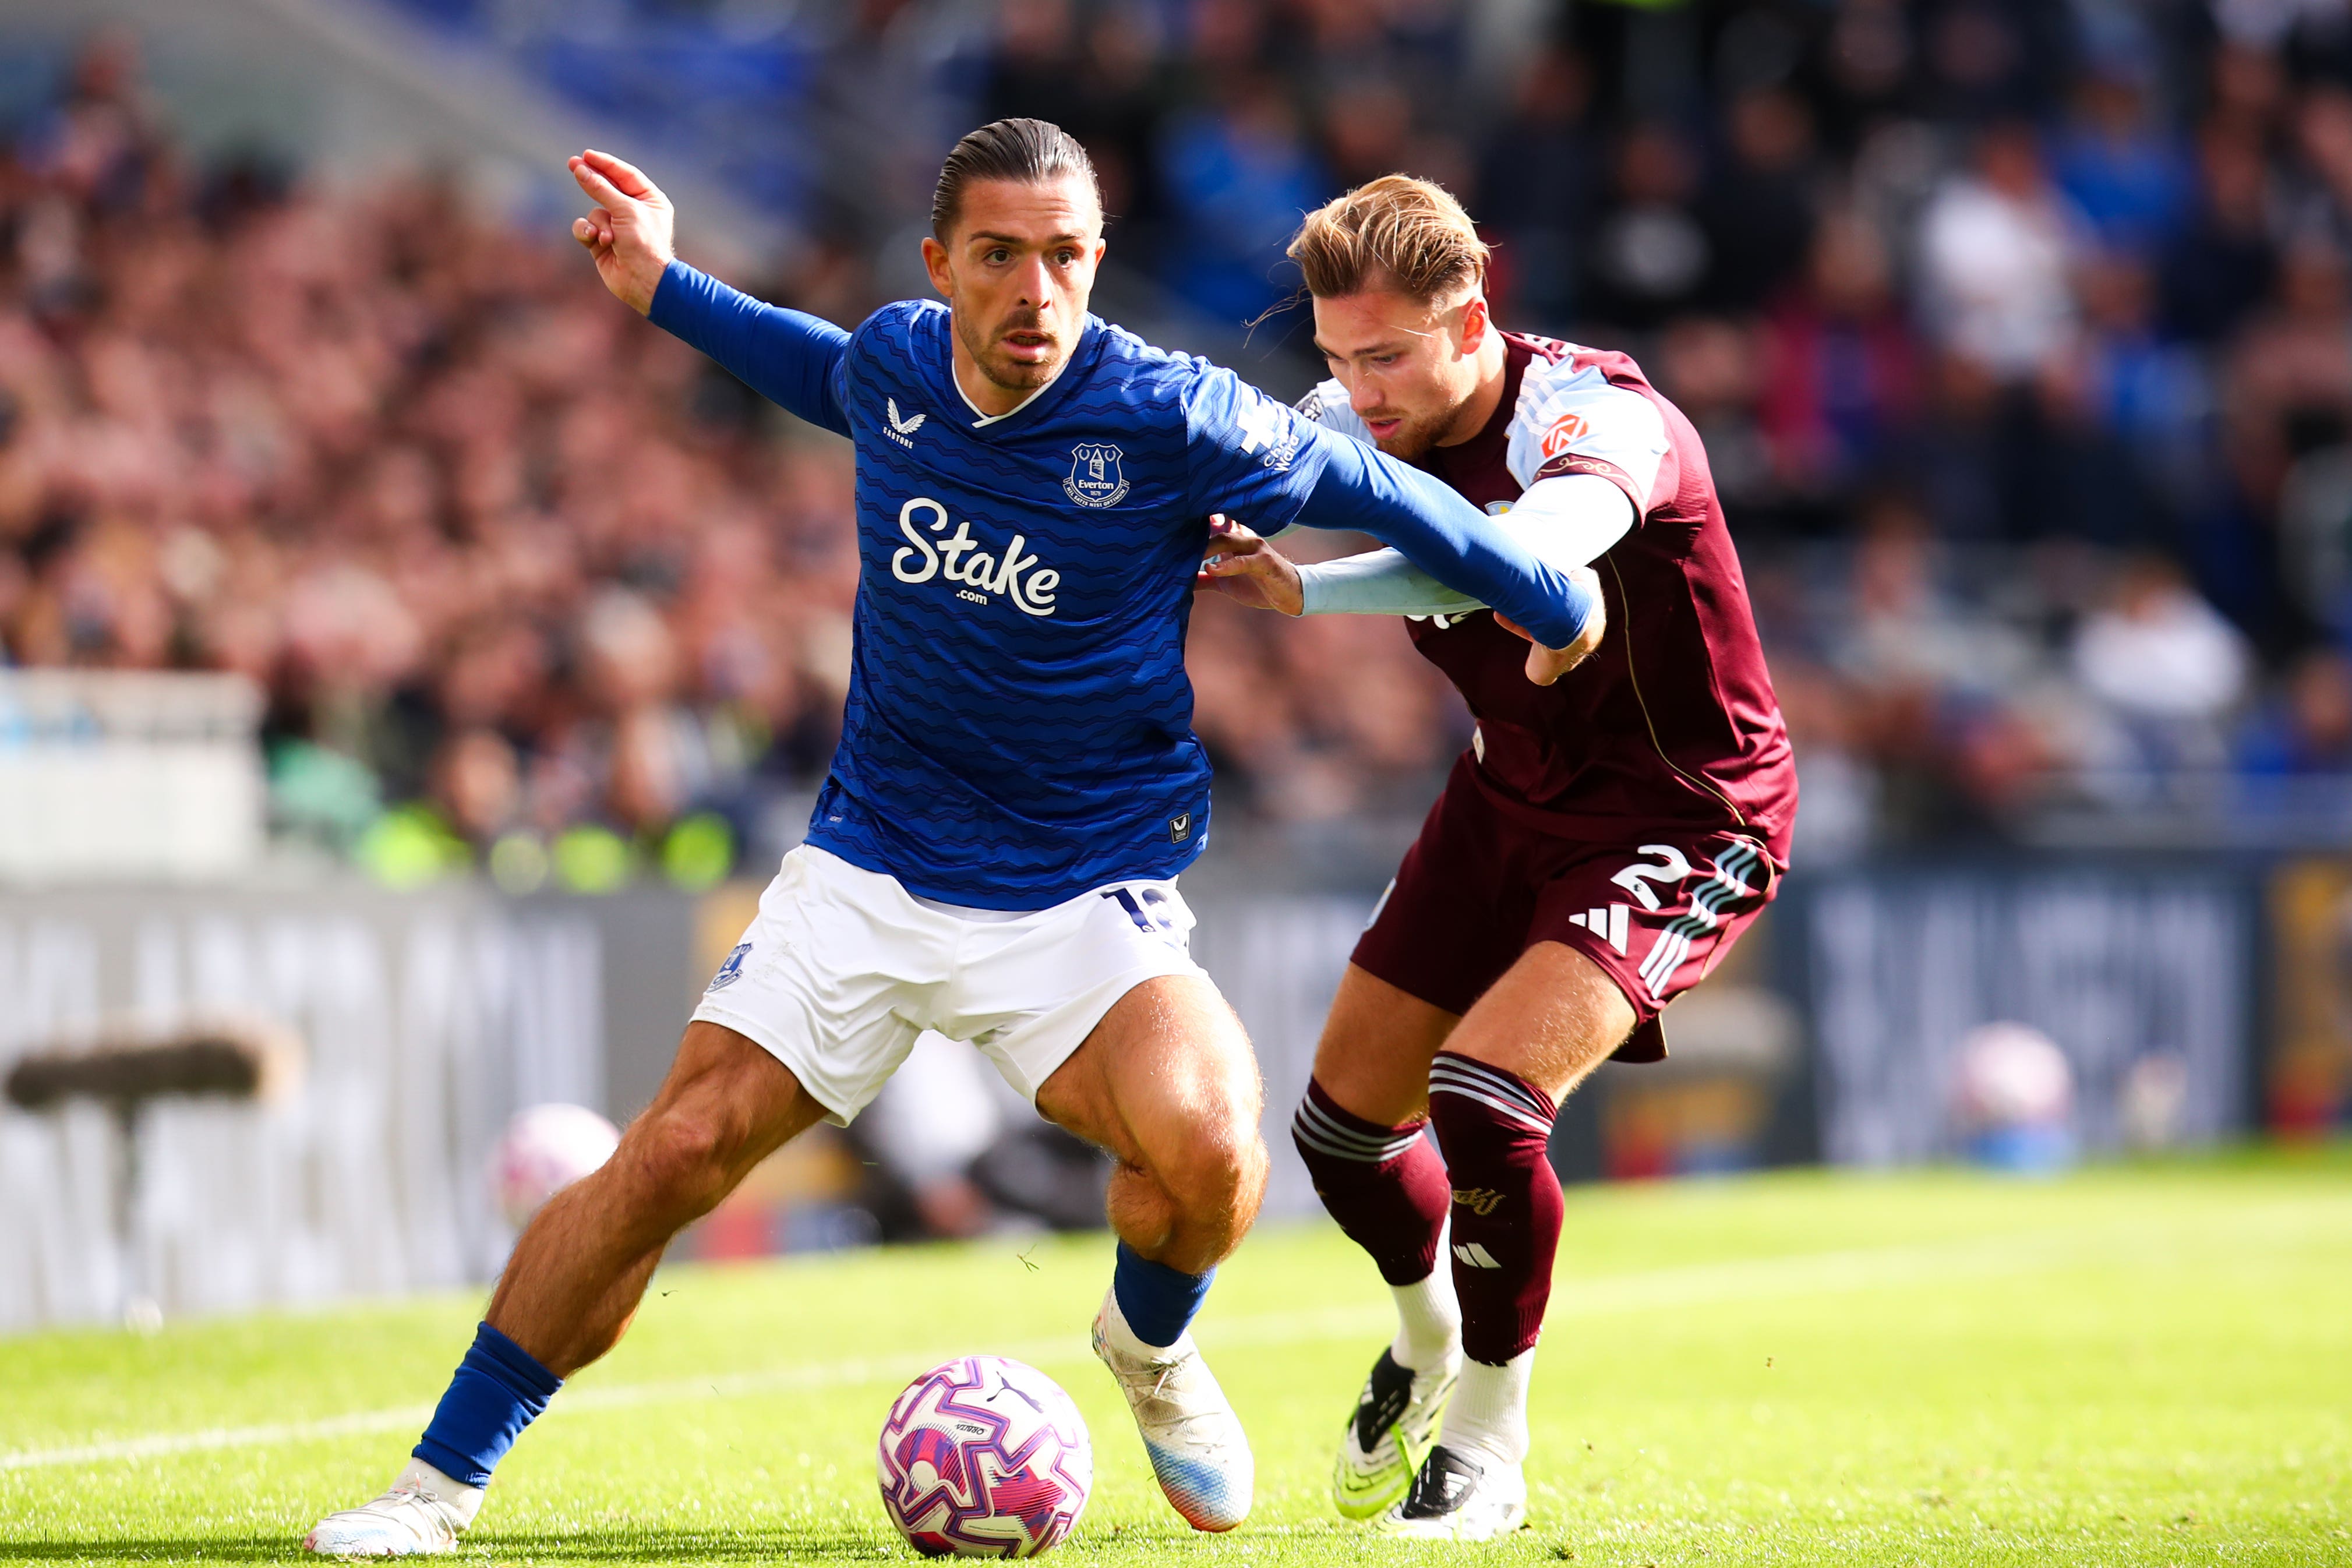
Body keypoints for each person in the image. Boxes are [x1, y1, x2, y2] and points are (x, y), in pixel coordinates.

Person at [301, 124, 1603, 1555]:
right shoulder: (901, 363)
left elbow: (1386, 493)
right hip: (871, 867)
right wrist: (665, 284)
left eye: (1064, 256)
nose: (1035, 289)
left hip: (1080, 891)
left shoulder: (1179, 413)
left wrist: (1542, 590)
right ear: (941, 265)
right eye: (999, 255)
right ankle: (433, 1489)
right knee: (671, 1149)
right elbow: (810, 365)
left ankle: (1149, 1348)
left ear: (1096, 265)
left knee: (1216, 1152)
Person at [1198, 175, 1798, 1539]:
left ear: (1473, 317)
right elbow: (1347, 513)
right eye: (1338, 357)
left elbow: (1540, 548)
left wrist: (1336, 582)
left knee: (1483, 1088)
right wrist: (1270, 557)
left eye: (1390, 352)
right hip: (1505, 795)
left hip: (1680, 810)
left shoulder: (1599, 418)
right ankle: (1422, 1342)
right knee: (1343, 1131)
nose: (1361, 388)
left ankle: (1488, 1433)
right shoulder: (1355, 408)